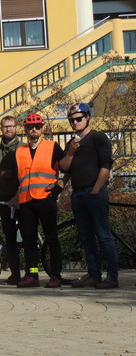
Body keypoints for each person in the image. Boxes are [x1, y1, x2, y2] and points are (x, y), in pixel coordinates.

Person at [60, 103, 118, 289]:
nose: (75, 122)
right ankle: (94, 275)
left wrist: (96, 189)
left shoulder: (98, 137)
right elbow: (64, 168)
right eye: (72, 119)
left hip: (95, 192)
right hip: (77, 194)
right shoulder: (72, 143)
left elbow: (105, 165)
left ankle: (112, 277)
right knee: (86, 237)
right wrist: (70, 152)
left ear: (87, 118)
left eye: (79, 118)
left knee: (104, 235)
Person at [11, 113, 65, 288]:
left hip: (46, 198)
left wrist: (60, 186)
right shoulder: (20, 151)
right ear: (25, 130)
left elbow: (68, 166)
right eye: (29, 127)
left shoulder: (52, 147)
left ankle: (55, 275)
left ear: (42, 129)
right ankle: (32, 274)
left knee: (51, 237)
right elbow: (15, 178)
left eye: (37, 126)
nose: (33, 129)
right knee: (28, 239)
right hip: (26, 200)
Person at [0, 116, 25, 285]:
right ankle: (15, 274)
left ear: (16, 128)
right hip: (3, 199)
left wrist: (18, 196)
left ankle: (32, 273)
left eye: (11, 126)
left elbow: (27, 175)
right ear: (1, 129)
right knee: (9, 238)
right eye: (5, 127)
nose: (8, 129)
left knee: (27, 237)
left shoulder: (23, 148)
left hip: (23, 198)